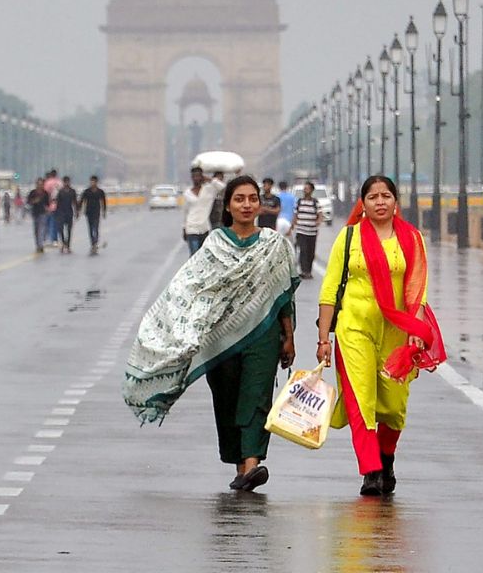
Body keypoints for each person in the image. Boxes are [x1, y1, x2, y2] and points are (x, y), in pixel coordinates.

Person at [124, 175, 298, 493]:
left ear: (260, 203)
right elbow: (192, 289)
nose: (247, 205)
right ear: (228, 205)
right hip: (221, 338)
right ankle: (239, 463)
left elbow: (284, 294)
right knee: (229, 398)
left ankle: (251, 464)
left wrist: (288, 336)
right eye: (239, 199)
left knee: (257, 397)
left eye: (252, 198)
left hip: (263, 333)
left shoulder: (275, 245)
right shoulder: (214, 244)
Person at [317, 175, 445, 497]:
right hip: (354, 328)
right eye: (372, 196)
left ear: (395, 201)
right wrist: (323, 339)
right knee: (362, 399)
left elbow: (418, 290)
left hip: (397, 332)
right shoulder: (349, 239)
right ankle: (371, 471)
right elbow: (330, 289)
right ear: (363, 203)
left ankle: (386, 459)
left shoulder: (411, 239)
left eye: (386, 195)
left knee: (393, 405)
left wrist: (416, 330)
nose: (380, 201)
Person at [182, 166, 224, 257]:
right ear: (191, 178)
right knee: (194, 255)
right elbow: (185, 212)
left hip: (204, 228)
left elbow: (222, 188)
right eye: (194, 176)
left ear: (202, 177)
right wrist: (184, 228)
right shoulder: (187, 193)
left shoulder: (209, 190)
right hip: (191, 228)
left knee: (203, 256)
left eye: (198, 176)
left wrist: (210, 179)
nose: (196, 178)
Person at [288, 181, 322, 279]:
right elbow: (295, 215)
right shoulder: (299, 202)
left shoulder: (315, 202)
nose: (305, 190)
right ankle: (304, 271)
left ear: (311, 190)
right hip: (301, 231)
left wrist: (318, 222)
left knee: (310, 252)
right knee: (303, 250)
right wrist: (292, 226)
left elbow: (320, 214)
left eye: (307, 188)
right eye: (304, 188)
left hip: (312, 232)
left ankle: (308, 271)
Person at [79, 175, 108, 255]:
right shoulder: (87, 191)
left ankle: (95, 243)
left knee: (96, 228)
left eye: (94, 181)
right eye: (91, 181)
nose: (92, 183)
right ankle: (93, 244)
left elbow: (103, 202)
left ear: (96, 182)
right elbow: (81, 201)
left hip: (97, 212)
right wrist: (79, 210)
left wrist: (104, 211)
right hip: (88, 213)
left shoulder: (100, 192)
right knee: (91, 229)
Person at [54, 176, 79, 253]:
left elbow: (75, 202)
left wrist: (76, 212)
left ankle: (68, 245)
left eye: (68, 182)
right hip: (61, 213)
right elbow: (57, 203)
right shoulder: (60, 192)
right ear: (63, 182)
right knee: (60, 229)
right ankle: (63, 242)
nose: (67, 183)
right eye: (65, 182)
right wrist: (56, 213)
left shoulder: (72, 191)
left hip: (69, 212)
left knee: (69, 230)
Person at [26, 177, 50, 254]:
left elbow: (47, 204)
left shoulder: (45, 193)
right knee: (36, 230)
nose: (40, 186)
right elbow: (28, 202)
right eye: (38, 184)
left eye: (41, 184)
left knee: (41, 230)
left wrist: (47, 209)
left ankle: (40, 245)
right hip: (35, 213)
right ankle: (38, 245)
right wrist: (34, 201)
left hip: (43, 213)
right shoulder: (33, 193)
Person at [43, 170, 60, 246]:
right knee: (55, 224)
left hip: (49, 206)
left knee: (48, 223)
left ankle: (47, 239)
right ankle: (55, 239)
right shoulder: (60, 182)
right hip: (58, 206)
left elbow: (45, 194)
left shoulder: (48, 183)